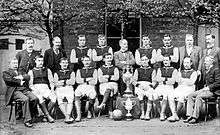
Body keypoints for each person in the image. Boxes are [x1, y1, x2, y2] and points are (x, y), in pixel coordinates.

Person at [3, 58, 38, 127]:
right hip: (15, 91)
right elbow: (9, 80)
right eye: (13, 63)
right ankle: (27, 120)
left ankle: (31, 114)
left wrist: (21, 77)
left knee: (35, 99)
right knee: (25, 99)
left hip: (24, 90)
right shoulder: (6, 72)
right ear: (9, 64)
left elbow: (28, 77)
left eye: (16, 63)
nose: (15, 65)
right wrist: (20, 81)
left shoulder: (21, 71)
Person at [184, 56, 220, 124]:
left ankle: (195, 117)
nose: (205, 62)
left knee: (199, 96)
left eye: (206, 61)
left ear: (211, 62)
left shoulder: (216, 69)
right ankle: (189, 115)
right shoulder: (205, 70)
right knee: (190, 95)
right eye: (205, 61)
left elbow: (218, 83)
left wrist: (209, 87)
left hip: (213, 91)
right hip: (205, 89)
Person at [28, 55, 57, 123]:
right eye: (39, 61)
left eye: (42, 61)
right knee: (40, 98)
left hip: (46, 88)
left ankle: (45, 116)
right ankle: (48, 116)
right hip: (36, 88)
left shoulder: (47, 70)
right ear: (35, 61)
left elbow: (51, 82)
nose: (41, 62)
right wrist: (36, 90)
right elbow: (30, 85)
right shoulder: (31, 71)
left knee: (54, 98)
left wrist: (52, 89)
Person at [132, 55, 157, 120]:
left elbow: (154, 81)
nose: (144, 61)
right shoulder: (137, 70)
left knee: (150, 93)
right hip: (140, 85)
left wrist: (149, 86)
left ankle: (147, 113)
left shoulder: (152, 70)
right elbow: (134, 80)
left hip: (149, 85)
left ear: (148, 60)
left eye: (146, 59)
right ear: (140, 61)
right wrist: (139, 85)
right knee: (140, 94)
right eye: (142, 60)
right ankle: (143, 113)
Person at [155, 55, 178, 121]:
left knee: (166, 96)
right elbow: (158, 79)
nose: (165, 62)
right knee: (154, 95)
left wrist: (163, 80)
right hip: (160, 86)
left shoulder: (174, 70)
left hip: (169, 87)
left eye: (167, 60)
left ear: (170, 61)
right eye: (164, 60)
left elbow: (173, 81)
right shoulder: (160, 69)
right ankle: (161, 112)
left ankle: (162, 113)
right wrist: (167, 79)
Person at [75, 56, 98, 122]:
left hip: (91, 86)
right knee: (77, 92)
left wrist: (83, 80)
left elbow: (95, 81)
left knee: (93, 94)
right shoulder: (79, 70)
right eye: (85, 60)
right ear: (82, 62)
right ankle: (78, 114)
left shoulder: (94, 70)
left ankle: (89, 110)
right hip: (81, 86)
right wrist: (87, 79)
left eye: (88, 60)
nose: (86, 62)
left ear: (90, 61)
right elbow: (78, 80)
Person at [97, 53, 119, 119]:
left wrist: (107, 77)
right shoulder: (100, 69)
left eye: (110, 58)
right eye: (107, 58)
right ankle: (110, 111)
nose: (109, 60)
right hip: (103, 85)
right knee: (109, 91)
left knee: (109, 88)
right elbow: (100, 79)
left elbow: (116, 78)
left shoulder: (115, 68)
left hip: (113, 85)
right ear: (104, 59)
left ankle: (103, 103)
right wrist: (111, 77)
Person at [54, 58, 75, 124]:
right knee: (60, 99)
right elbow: (56, 83)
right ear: (60, 64)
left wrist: (63, 81)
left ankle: (67, 116)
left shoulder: (71, 72)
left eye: (66, 63)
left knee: (70, 99)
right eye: (63, 63)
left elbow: (72, 82)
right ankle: (67, 116)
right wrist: (67, 81)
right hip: (60, 88)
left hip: (69, 87)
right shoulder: (56, 73)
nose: (65, 64)